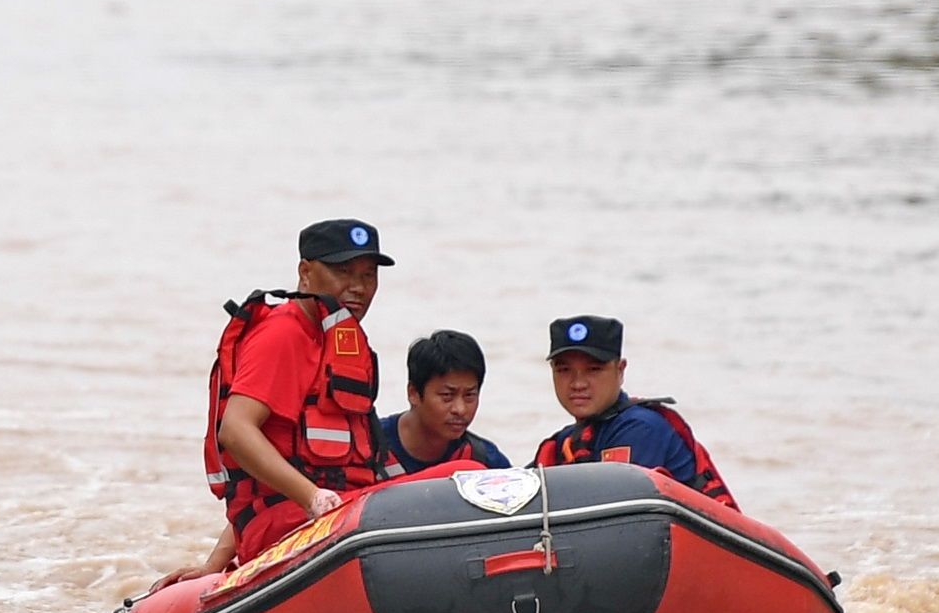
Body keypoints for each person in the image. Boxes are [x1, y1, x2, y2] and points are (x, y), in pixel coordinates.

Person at [200, 219, 399, 568]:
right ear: (305, 273)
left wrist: (213, 566)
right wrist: (315, 499)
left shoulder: (338, 342)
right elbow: (235, 430)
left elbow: (284, 457)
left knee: (463, 470)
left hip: (338, 512)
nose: (358, 287)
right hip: (297, 522)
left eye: (368, 276)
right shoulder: (284, 333)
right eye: (343, 272)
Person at [530, 315, 736, 504]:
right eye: (564, 370)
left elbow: (613, 512)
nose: (578, 383)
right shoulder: (564, 442)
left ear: (620, 370)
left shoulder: (640, 428)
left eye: (593, 370)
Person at [379, 331, 513, 473]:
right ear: (414, 393)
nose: (460, 409)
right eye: (447, 396)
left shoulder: (486, 461)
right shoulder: (367, 449)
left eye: (469, 396)